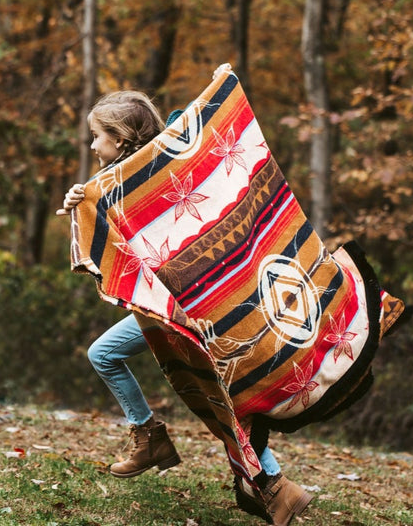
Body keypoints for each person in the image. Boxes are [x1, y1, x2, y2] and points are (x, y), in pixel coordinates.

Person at [58, 81, 312, 526]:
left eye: (96, 136)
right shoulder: (117, 185)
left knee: (213, 395)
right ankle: (266, 484)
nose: (92, 144)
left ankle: (264, 482)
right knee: (211, 394)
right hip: (182, 306)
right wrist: (80, 202)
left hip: (193, 307)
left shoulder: (157, 172)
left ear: (119, 139)